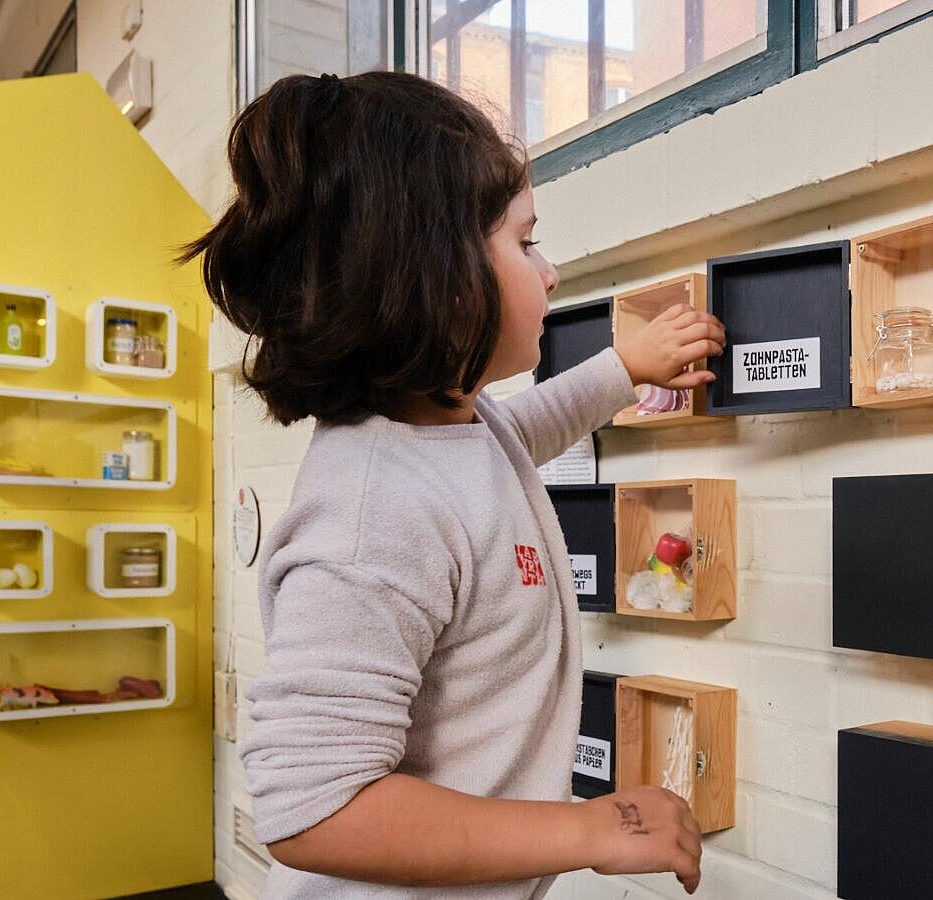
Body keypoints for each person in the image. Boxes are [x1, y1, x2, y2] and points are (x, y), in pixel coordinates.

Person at [182, 71, 724, 898]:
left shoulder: (458, 428)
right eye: (525, 243)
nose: (549, 273)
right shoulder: (373, 514)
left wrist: (625, 369)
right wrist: (589, 828)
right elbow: (310, 807)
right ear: (441, 274)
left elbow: (527, 431)